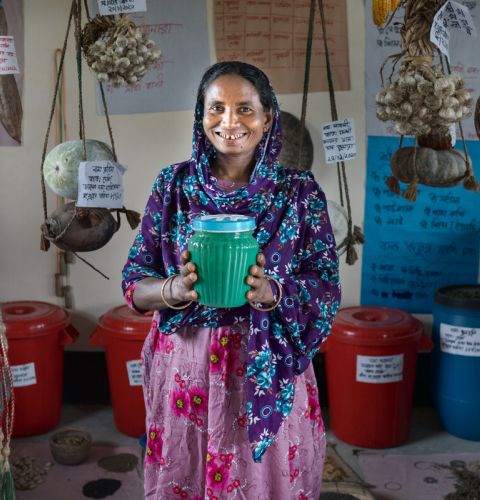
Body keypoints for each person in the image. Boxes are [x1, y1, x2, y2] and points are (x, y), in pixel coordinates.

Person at [122, 61, 341, 499]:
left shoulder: (298, 193)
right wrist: (173, 289)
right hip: (188, 365)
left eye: (245, 109)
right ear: (200, 116)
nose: (229, 122)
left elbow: (325, 287)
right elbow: (134, 283)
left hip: (266, 364)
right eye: (216, 108)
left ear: (267, 118)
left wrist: (273, 291)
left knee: (264, 480)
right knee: (187, 471)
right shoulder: (174, 186)